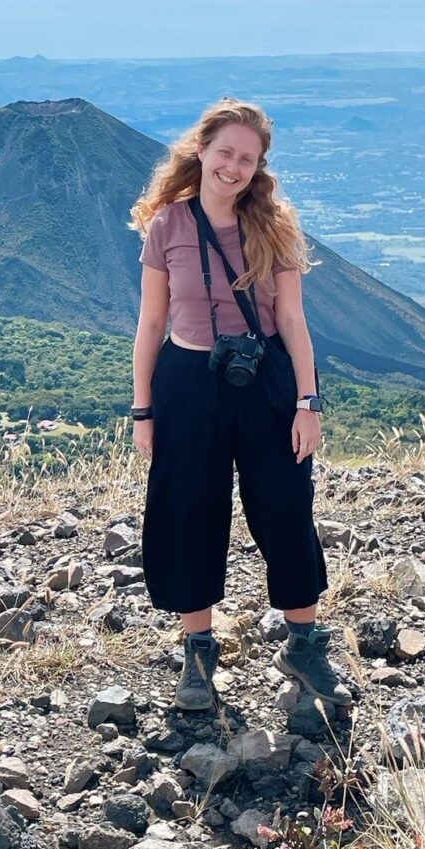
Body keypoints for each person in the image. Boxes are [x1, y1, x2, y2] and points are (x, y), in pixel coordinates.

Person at [128, 96, 352, 713]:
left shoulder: (273, 225)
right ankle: (197, 655)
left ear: (258, 168)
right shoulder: (165, 226)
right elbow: (150, 324)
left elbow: (292, 319)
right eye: (225, 152)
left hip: (266, 381)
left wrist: (309, 402)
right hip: (186, 382)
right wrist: (143, 410)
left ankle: (303, 645)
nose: (234, 166)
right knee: (188, 510)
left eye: (247, 159)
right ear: (201, 151)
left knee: (285, 507)